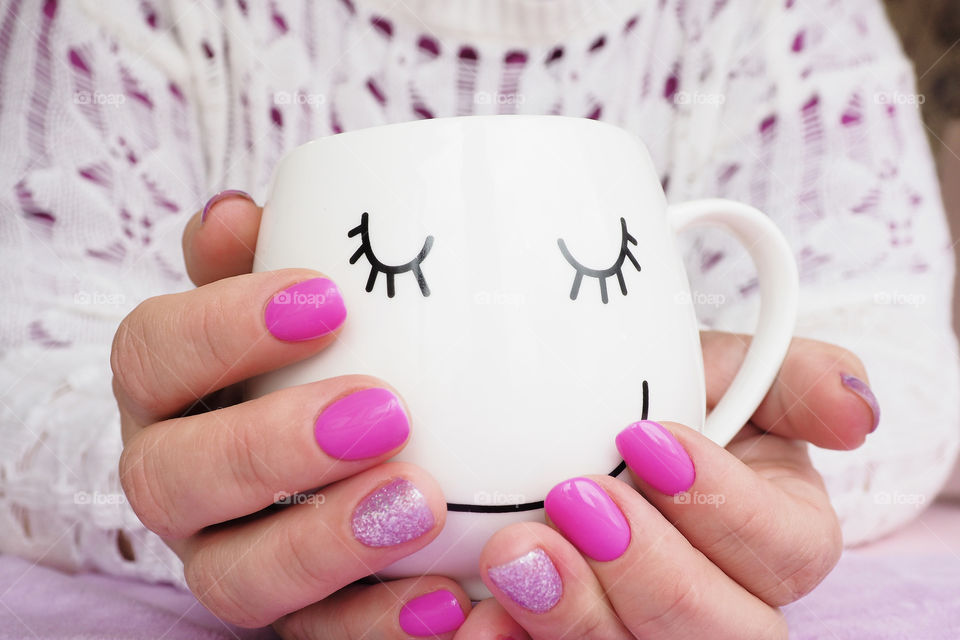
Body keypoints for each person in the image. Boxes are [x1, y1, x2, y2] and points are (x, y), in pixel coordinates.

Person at [1, 0, 956, 637]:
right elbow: (28, 352)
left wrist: (746, 444)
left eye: (612, 263)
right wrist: (186, 467)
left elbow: (896, 338)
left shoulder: (786, 21)